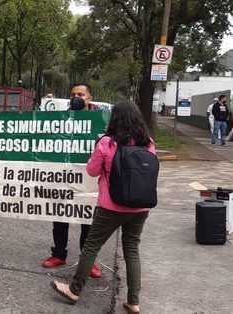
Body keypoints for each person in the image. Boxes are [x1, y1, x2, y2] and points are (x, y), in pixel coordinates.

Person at [51, 101, 155, 314]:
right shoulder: (148, 143)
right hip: (140, 207)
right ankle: (133, 301)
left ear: (114, 119)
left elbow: (91, 170)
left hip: (111, 206)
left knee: (91, 247)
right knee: (132, 251)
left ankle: (74, 290)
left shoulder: (107, 143)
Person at [42, 83, 101, 278]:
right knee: (60, 216)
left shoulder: (101, 119)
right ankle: (59, 254)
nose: (76, 97)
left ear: (89, 98)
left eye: (80, 94)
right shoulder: (61, 118)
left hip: (89, 178)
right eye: (73, 94)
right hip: (63, 176)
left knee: (88, 222)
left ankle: (88, 261)